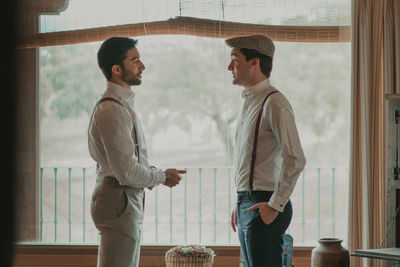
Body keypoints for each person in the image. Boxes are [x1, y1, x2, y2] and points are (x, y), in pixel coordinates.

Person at [88, 37, 186, 267]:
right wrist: (162, 177)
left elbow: (128, 165)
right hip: (118, 196)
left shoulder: (120, 105)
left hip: (122, 195)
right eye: (135, 61)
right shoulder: (112, 109)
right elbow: (127, 172)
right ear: (116, 69)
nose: (143, 66)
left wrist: (149, 173)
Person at [226, 34, 306, 267]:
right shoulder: (251, 101)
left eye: (235, 59)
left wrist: (274, 205)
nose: (229, 66)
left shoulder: (275, 103)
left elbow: (296, 157)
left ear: (255, 62)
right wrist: (240, 201)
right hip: (248, 201)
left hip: (264, 202)